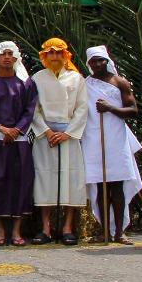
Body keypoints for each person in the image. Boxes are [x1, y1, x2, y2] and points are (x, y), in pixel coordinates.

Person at [0, 42, 38, 246]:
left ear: (16, 57)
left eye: (10, 53)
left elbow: (30, 109)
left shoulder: (26, 83)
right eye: (3, 54)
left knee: (20, 183)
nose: (7, 57)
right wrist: (2, 129)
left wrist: (16, 130)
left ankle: (17, 231)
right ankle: (0, 231)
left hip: (19, 142)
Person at [30, 38, 88, 245]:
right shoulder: (37, 78)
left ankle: (67, 228)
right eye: (50, 53)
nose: (54, 56)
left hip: (69, 136)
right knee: (44, 180)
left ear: (65, 55)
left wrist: (68, 133)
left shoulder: (76, 78)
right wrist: (46, 132)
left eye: (58, 53)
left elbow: (82, 108)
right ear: (44, 56)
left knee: (71, 180)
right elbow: (33, 109)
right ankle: (45, 229)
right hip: (45, 137)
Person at [82, 46, 142, 244]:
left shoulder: (120, 82)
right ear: (89, 64)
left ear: (107, 61)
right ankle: (105, 231)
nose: (97, 64)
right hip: (94, 138)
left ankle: (120, 231)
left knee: (117, 186)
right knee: (101, 187)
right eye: (93, 61)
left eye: (100, 60)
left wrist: (110, 108)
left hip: (116, 138)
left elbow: (133, 110)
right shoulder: (85, 84)